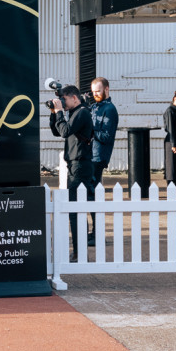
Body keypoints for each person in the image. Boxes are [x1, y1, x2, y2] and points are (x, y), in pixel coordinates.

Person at [48, 85, 93, 258]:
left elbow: (65, 131)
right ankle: (78, 252)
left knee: (76, 209)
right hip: (74, 164)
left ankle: (80, 253)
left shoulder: (82, 112)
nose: (63, 103)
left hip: (81, 165)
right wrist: (54, 113)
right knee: (74, 208)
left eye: (64, 100)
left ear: (74, 98)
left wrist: (60, 112)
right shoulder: (75, 113)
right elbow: (57, 131)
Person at [89, 78, 118, 187]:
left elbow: (107, 137)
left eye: (98, 91)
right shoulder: (94, 107)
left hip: (98, 156)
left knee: (92, 188)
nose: (95, 94)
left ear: (106, 89)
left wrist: (90, 130)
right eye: (93, 92)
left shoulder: (110, 109)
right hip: (89, 153)